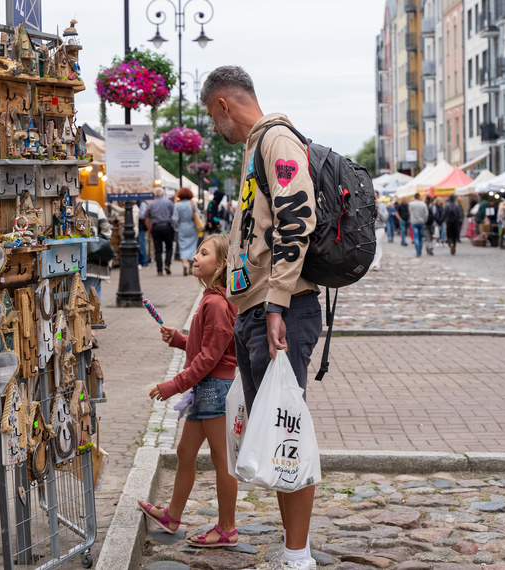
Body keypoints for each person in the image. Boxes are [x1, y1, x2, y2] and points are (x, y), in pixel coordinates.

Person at [202, 65, 322, 570]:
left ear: (225, 105)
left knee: (286, 431)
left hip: (281, 310)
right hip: (257, 310)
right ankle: (295, 551)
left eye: (213, 117)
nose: (214, 128)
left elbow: (298, 217)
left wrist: (276, 302)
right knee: (275, 434)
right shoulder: (257, 147)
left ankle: (298, 556)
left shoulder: (275, 140)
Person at [138, 235, 238, 548]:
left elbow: (209, 358)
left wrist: (171, 386)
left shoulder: (218, 303)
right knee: (185, 453)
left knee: (223, 462)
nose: (195, 257)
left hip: (215, 390)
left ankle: (227, 528)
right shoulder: (210, 297)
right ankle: (172, 516)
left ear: (221, 264)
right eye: (196, 251)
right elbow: (207, 346)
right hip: (207, 389)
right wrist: (180, 339)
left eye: (203, 253)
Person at [81, 199, 113, 298]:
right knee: (93, 294)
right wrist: (95, 241)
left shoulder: (62, 204)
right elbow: (107, 230)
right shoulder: (93, 205)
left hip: (66, 260)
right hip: (92, 260)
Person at [144, 188, 175, 275]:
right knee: (169, 247)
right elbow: (174, 215)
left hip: (156, 227)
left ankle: (159, 270)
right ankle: (167, 264)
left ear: (154, 195)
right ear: (163, 194)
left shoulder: (151, 204)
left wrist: (149, 229)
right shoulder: (169, 203)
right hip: (167, 227)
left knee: (158, 250)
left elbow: (146, 217)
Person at [172, 187, 201, 276]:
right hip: (192, 227)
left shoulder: (177, 205)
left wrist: (176, 227)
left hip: (182, 227)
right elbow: (199, 214)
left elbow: (175, 218)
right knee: (192, 246)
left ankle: (184, 263)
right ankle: (190, 268)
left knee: (183, 246)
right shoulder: (192, 204)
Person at [370, 190, 388, 271]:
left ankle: (376, 264)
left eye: (376, 195)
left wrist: (379, 213)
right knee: (373, 246)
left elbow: (385, 218)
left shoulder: (382, 205)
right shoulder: (368, 204)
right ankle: (373, 263)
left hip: (380, 227)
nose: (375, 196)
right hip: (370, 228)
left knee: (377, 244)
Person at [409, 193, 429, 257]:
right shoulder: (423, 204)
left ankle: (418, 251)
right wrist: (425, 220)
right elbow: (426, 214)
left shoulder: (411, 204)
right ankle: (420, 249)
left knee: (416, 237)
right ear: (419, 197)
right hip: (421, 222)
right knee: (420, 238)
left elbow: (410, 212)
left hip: (414, 222)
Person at [137, 199, 151, 267]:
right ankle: (141, 261)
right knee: (140, 243)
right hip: (140, 227)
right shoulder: (140, 202)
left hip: (141, 227)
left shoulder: (141, 203)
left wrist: (135, 215)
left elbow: (143, 215)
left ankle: (144, 261)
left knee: (141, 243)